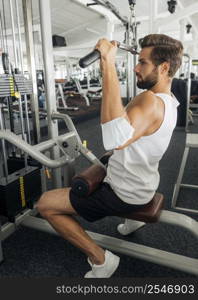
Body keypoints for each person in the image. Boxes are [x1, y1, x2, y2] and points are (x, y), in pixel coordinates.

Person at [37, 34, 183, 278]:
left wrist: (107, 62)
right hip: (145, 185)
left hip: (124, 192)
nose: (136, 68)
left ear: (164, 67)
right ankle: (133, 221)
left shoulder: (149, 100)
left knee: (46, 204)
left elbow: (114, 137)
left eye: (143, 62)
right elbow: (129, 139)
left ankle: (101, 260)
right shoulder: (171, 103)